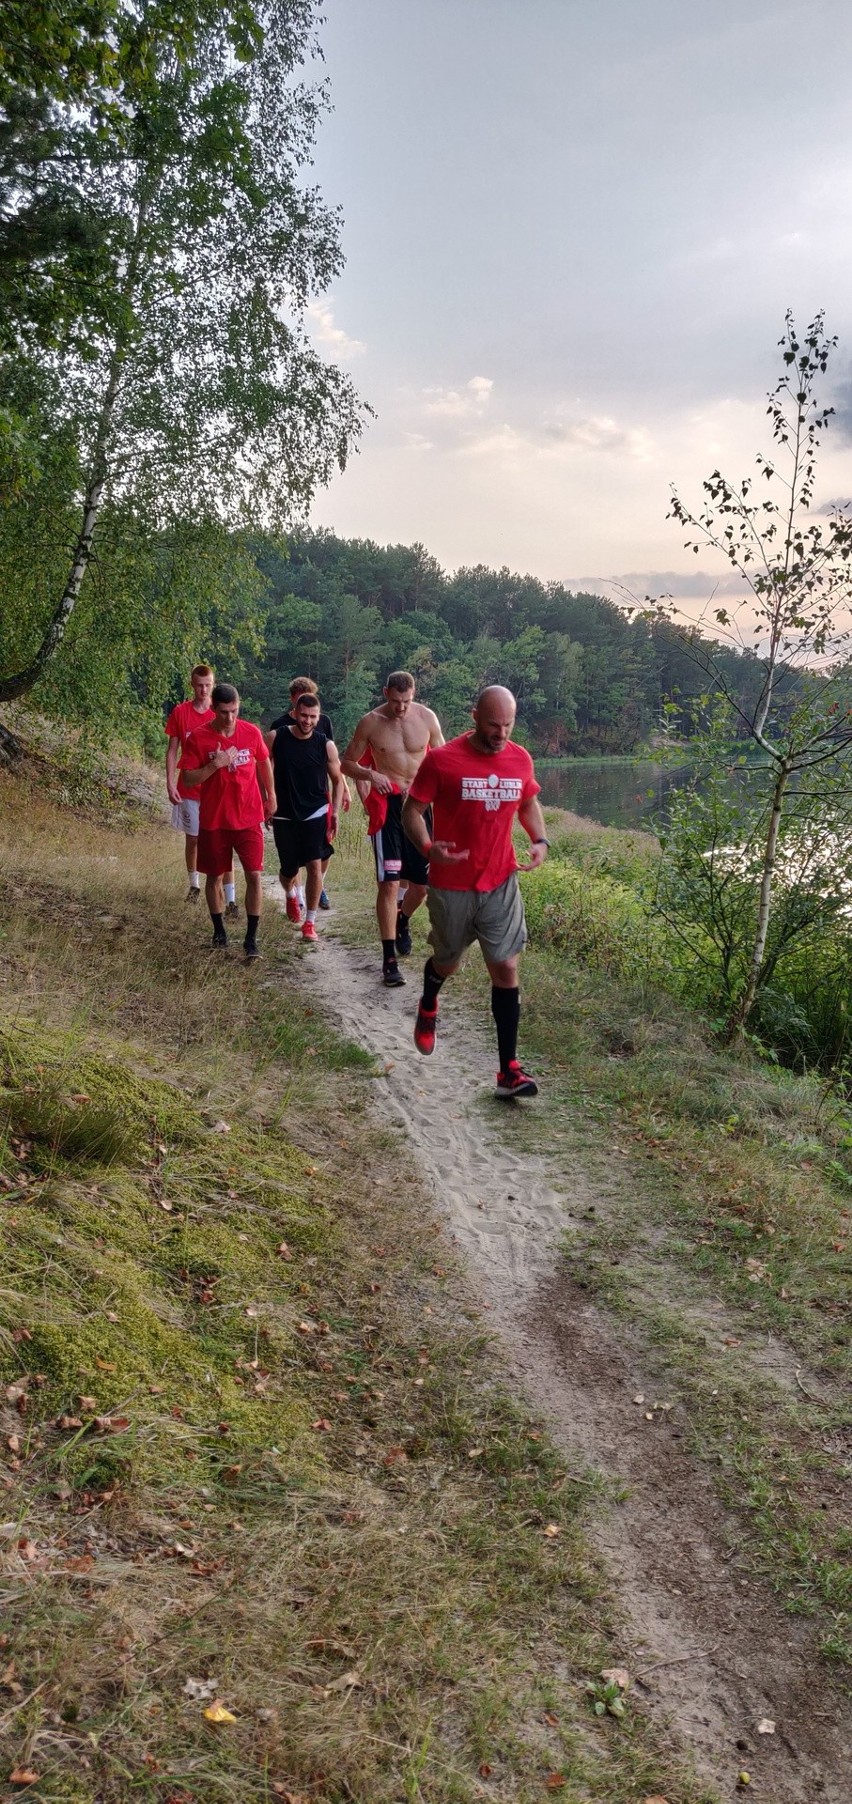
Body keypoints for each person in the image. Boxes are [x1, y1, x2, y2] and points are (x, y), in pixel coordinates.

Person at [402, 685, 549, 1098]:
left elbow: (527, 801)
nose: (501, 733)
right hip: (452, 886)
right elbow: (411, 810)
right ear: (474, 717)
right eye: (492, 724)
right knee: (447, 963)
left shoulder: (520, 759)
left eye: (508, 725)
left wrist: (539, 841)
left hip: (501, 879)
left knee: (505, 968)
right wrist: (429, 847)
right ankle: (430, 998)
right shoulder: (442, 761)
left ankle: (508, 1072)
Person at [341, 671, 444, 986]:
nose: (401, 707)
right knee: (388, 884)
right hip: (389, 811)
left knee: (422, 886)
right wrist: (372, 776)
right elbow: (347, 763)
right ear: (385, 692)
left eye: (407, 701)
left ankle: (403, 920)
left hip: (420, 807)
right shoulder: (370, 722)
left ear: (414, 694)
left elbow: (444, 760)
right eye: (395, 701)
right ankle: (388, 960)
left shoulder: (427, 718)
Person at [180, 683, 276, 960]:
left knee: (254, 875)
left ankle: (251, 939)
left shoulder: (250, 732)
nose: (230, 718)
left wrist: (271, 796)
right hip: (214, 819)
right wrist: (214, 765)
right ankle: (219, 931)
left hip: (248, 816)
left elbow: (263, 761)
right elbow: (187, 778)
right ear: (213, 709)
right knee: (215, 877)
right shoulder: (199, 738)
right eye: (224, 712)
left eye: (234, 711)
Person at [265, 693, 346, 942]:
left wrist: (334, 810)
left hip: (316, 811)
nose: (308, 721)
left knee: (314, 864)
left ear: (318, 716)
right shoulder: (276, 737)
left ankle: (310, 922)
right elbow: (262, 766)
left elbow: (337, 779)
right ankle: (290, 896)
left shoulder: (325, 744)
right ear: (295, 712)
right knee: (288, 870)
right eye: (303, 715)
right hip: (285, 813)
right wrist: (266, 798)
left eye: (313, 717)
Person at [164, 663, 239, 917]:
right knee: (193, 838)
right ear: (192, 685)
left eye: (208, 685)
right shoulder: (181, 713)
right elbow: (173, 749)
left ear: (214, 685)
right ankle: (194, 884)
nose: (203, 690)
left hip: (218, 790)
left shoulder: (220, 712)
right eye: (199, 685)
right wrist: (170, 781)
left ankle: (231, 899)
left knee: (224, 843)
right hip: (192, 787)